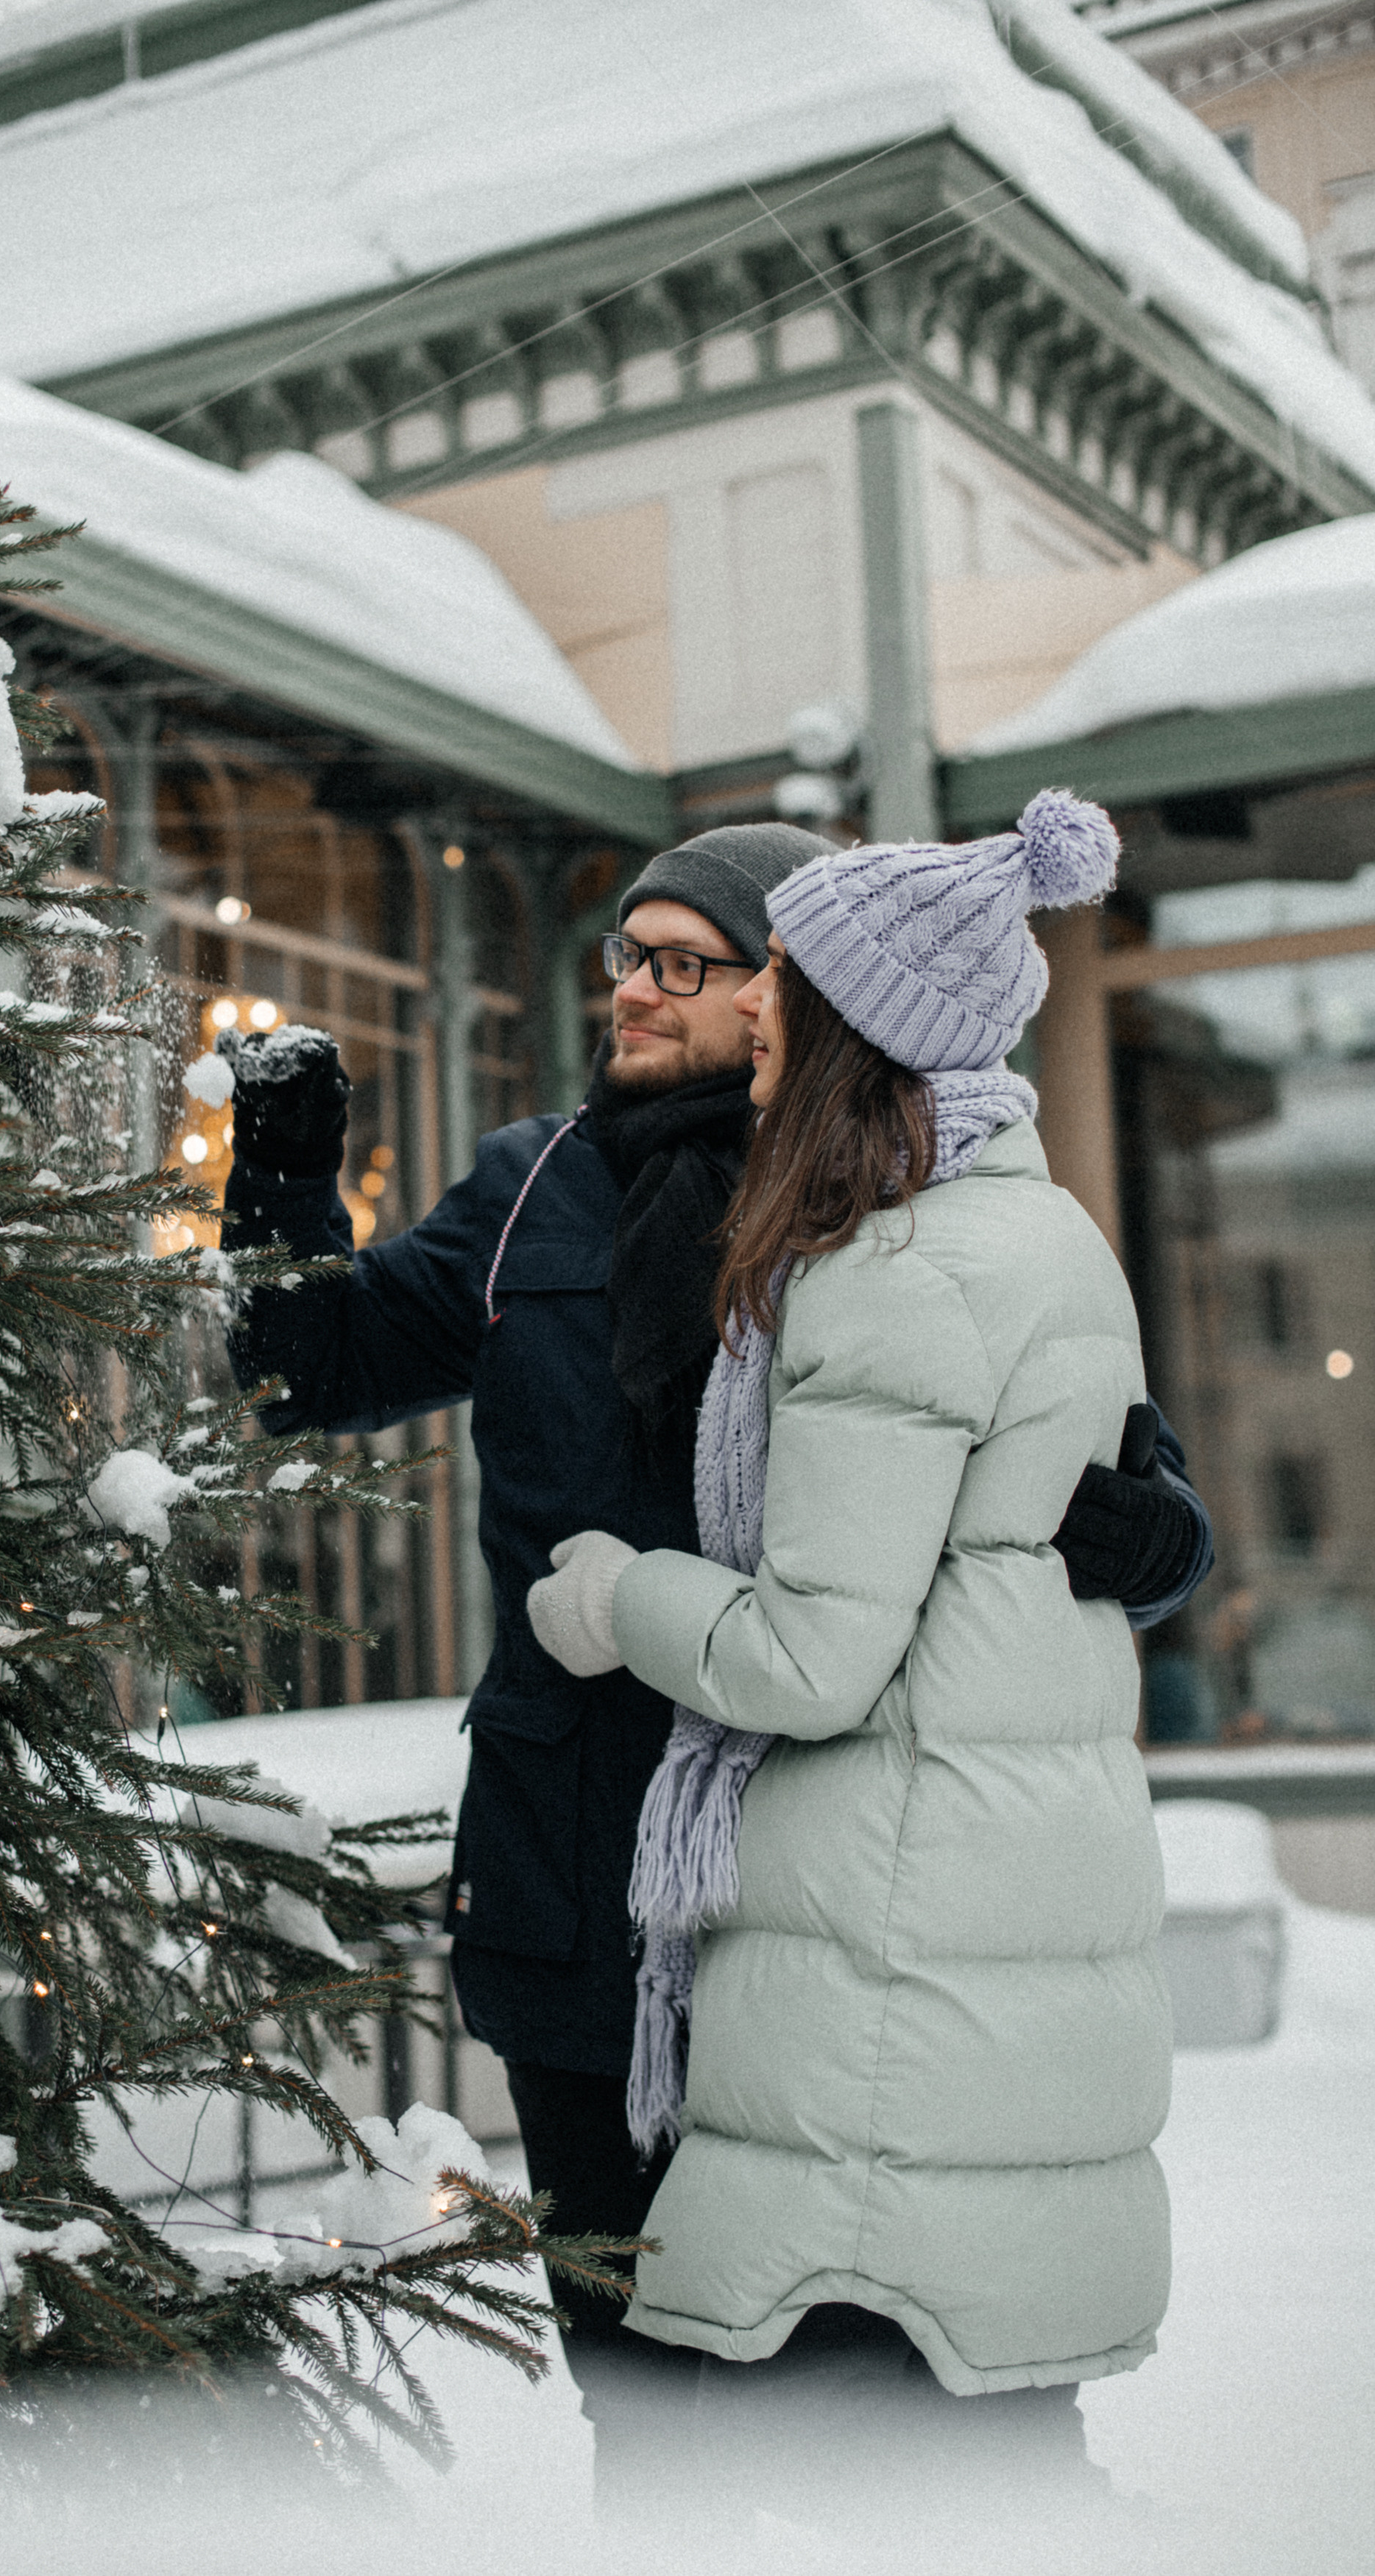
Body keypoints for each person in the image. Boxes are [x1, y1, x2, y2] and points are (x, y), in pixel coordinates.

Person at [217, 820, 1209, 2476]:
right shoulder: (532, 1181)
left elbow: (1077, 1469)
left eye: (687, 961)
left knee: (865, 2382)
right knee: (639, 2383)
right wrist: (282, 1170)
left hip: (801, 1876)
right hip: (570, 1854)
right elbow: (301, 1371)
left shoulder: (884, 1187)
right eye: (625, 954)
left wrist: (1157, 1535)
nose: (636, 989)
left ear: (786, 994)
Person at [526, 792, 1172, 2524]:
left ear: (848, 1030)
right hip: (994, 1918)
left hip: (890, 1939)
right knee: (974, 2438)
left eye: (778, 994)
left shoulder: (888, 1270)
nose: (748, 1031)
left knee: (835, 2449)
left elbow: (816, 1654)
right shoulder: (1043, 1229)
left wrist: (613, 1593)